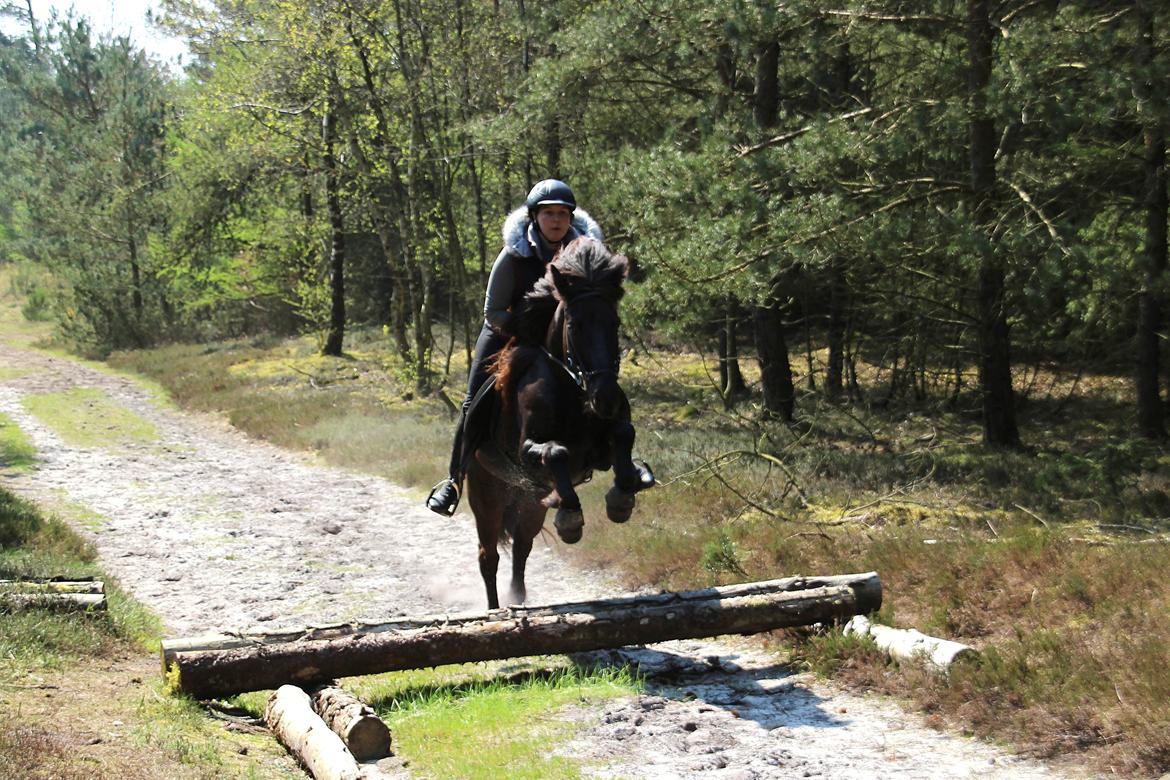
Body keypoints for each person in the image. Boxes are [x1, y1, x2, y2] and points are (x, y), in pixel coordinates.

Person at [426, 179, 604, 516]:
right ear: (535, 217)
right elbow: (492, 312)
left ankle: (618, 458)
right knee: (472, 400)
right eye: (549, 214)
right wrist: (525, 330)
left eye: (563, 214)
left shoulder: (585, 254)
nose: (556, 221)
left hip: (565, 338)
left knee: (602, 381)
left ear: (571, 218)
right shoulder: (513, 256)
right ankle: (454, 480)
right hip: (506, 334)